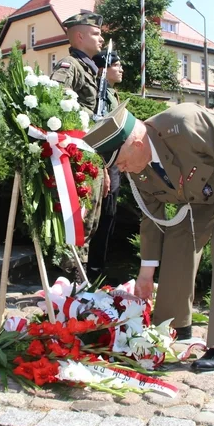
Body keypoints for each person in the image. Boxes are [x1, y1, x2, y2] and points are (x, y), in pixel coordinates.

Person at [84, 102, 214, 372]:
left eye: (121, 162)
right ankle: (173, 326)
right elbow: (152, 220)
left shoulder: (184, 123)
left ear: (137, 143)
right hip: (207, 190)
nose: (124, 169)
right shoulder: (138, 171)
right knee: (179, 237)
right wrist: (146, 274)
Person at [50, 12, 106, 278]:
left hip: (90, 153)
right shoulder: (69, 65)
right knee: (76, 217)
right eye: (96, 33)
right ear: (80, 36)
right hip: (74, 154)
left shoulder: (91, 70)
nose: (102, 38)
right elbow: (51, 104)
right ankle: (67, 279)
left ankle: (79, 279)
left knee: (90, 220)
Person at [87, 50, 123, 276]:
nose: (121, 70)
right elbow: (97, 135)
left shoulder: (112, 94)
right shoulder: (98, 96)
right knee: (98, 218)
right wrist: (105, 169)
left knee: (109, 217)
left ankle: (98, 268)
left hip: (116, 163)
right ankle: (91, 271)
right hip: (104, 163)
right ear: (103, 69)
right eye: (116, 65)